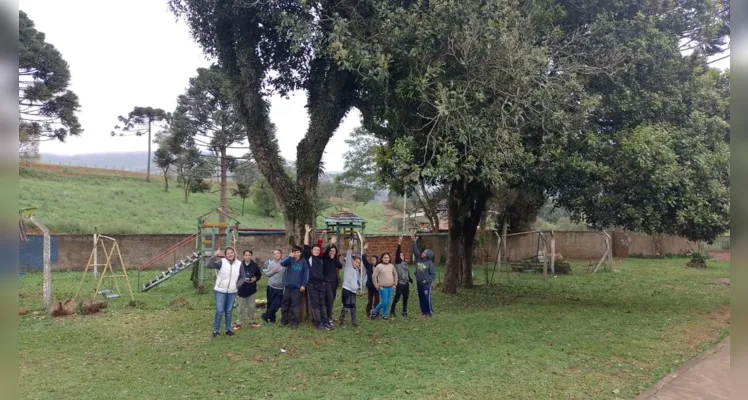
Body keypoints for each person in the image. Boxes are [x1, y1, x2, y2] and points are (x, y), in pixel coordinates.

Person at [206, 247, 243, 337]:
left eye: (232, 252)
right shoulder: (221, 262)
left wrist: (237, 285)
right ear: (225, 255)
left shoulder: (239, 264)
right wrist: (214, 255)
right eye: (228, 253)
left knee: (229, 311)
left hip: (232, 291)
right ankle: (216, 331)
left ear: (234, 253)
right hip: (220, 290)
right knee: (219, 310)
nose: (230, 254)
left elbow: (242, 276)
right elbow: (209, 265)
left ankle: (228, 330)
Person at [303, 224, 329, 330]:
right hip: (312, 284)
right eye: (315, 250)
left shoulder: (321, 258)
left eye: (318, 250)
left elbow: (320, 243)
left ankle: (325, 321)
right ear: (311, 251)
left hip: (321, 284)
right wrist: (307, 233)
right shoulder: (309, 257)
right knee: (315, 304)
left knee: (323, 303)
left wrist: (322, 236)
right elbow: (305, 245)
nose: (317, 251)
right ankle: (319, 323)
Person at [280, 245, 309, 329]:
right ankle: (284, 320)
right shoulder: (289, 260)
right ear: (292, 253)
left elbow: (306, 274)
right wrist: (289, 256)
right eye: (294, 252)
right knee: (285, 304)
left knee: (295, 305)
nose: (296, 254)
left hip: (297, 288)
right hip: (288, 287)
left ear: (300, 253)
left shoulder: (303, 261)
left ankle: (294, 321)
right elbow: (282, 263)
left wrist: (303, 285)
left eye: (298, 252)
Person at [234, 250, 262, 331]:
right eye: (246, 255)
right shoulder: (240, 265)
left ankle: (252, 321)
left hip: (252, 289)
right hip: (242, 290)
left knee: (251, 307)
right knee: (241, 307)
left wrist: (255, 278)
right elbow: (236, 276)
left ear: (251, 256)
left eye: (249, 255)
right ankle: (239, 323)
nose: (247, 256)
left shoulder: (254, 265)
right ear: (243, 256)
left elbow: (259, 275)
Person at [338, 236, 361, 327]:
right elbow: (348, 254)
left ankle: (354, 322)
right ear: (352, 262)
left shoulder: (357, 270)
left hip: (353, 291)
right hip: (347, 290)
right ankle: (341, 322)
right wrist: (350, 246)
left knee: (353, 306)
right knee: (346, 306)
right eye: (356, 262)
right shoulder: (349, 267)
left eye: (359, 263)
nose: (357, 263)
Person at [411, 233, 436, 317]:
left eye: (424, 253)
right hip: (419, 283)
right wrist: (413, 241)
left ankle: (429, 312)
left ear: (427, 255)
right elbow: (415, 250)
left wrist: (427, 280)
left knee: (426, 298)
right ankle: (424, 313)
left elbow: (433, 275)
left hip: (426, 285)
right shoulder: (419, 259)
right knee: (421, 298)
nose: (422, 253)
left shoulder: (430, 263)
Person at [322, 235, 342, 328]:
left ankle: (326, 316)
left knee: (331, 300)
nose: (332, 252)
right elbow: (326, 251)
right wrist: (331, 244)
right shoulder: (325, 258)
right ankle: (328, 318)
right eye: (331, 251)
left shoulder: (334, 260)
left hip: (334, 283)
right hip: (327, 282)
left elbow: (340, 266)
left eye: (334, 251)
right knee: (329, 299)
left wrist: (334, 257)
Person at [261, 249, 285, 326]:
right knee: (270, 304)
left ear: (281, 254)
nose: (276, 255)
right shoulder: (271, 264)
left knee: (276, 304)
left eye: (278, 253)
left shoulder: (284, 264)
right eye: (275, 254)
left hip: (280, 288)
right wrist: (273, 271)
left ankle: (265, 315)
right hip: (271, 287)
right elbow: (267, 274)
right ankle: (271, 319)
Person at [370, 252, 398, 320]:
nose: (386, 259)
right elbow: (374, 276)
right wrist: (377, 286)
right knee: (384, 301)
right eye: (385, 258)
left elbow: (395, 274)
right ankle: (374, 312)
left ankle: (384, 316)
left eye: (388, 257)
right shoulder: (379, 266)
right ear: (382, 258)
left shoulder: (391, 266)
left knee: (388, 302)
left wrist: (395, 283)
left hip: (390, 287)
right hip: (382, 287)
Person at [390, 236, 413, 318]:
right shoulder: (398, 262)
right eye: (400, 255)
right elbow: (397, 253)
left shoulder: (405, 263)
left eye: (402, 255)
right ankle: (392, 310)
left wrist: (410, 279)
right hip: (400, 283)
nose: (401, 256)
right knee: (397, 297)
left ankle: (404, 311)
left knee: (405, 298)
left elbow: (406, 272)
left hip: (406, 284)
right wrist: (399, 243)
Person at [361, 243, 380, 317]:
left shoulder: (379, 267)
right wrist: (364, 249)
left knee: (377, 300)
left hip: (377, 286)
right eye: (372, 260)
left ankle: (376, 311)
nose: (373, 261)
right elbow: (363, 258)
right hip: (370, 286)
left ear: (377, 260)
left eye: (374, 260)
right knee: (370, 300)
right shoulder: (369, 266)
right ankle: (368, 312)